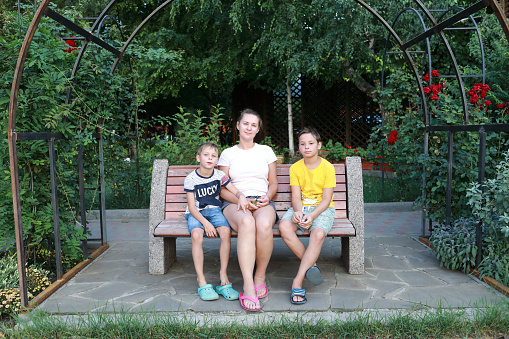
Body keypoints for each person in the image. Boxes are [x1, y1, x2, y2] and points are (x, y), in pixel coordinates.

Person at [218, 108, 278, 312]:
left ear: (258, 129)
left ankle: (259, 275)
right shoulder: (227, 154)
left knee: (262, 223)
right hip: (235, 203)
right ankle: (248, 285)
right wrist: (240, 199)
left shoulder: (266, 151)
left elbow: (273, 184)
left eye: (254, 125)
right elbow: (222, 188)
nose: (249, 128)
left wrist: (267, 197)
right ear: (238, 125)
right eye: (246, 123)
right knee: (246, 222)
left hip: (262, 202)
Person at [184, 142, 249, 301]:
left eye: (213, 156)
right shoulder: (190, 179)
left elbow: (234, 190)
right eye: (206, 155)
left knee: (226, 232)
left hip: (214, 211)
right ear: (198, 158)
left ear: (217, 160)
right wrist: (206, 224)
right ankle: (201, 280)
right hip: (197, 213)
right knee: (197, 235)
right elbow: (192, 208)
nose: (210, 158)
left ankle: (223, 276)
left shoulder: (220, 175)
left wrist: (241, 196)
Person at [279, 127, 336, 305]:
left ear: (319, 145)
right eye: (302, 144)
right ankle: (311, 265)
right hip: (302, 207)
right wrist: (298, 211)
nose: (307, 147)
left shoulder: (328, 168)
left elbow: (326, 200)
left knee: (317, 234)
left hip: (321, 209)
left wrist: (311, 216)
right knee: (284, 226)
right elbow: (295, 196)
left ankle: (298, 280)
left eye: (311, 143)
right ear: (299, 148)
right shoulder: (295, 168)